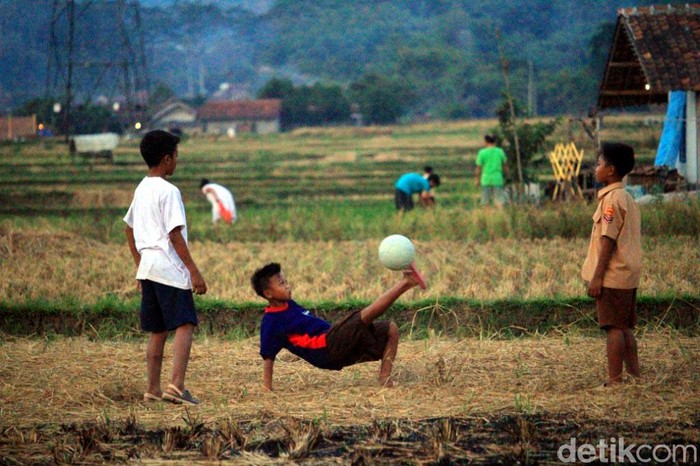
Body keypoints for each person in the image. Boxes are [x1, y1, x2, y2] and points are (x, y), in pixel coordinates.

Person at [124, 130, 208, 405]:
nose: (177, 162)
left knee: (158, 330)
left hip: (148, 268)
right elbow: (174, 235)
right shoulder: (169, 191)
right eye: (176, 157)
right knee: (185, 323)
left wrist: (140, 265)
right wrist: (194, 271)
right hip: (169, 268)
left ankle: (152, 389)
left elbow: (129, 228)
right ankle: (177, 386)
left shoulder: (141, 188)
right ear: (166, 159)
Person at [251, 262, 421, 390]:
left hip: (334, 343)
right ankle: (406, 283)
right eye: (281, 284)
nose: (288, 285)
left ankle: (385, 378)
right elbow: (268, 357)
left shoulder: (290, 305)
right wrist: (268, 390)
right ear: (268, 293)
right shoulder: (271, 321)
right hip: (327, 347)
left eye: (286, 281)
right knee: (364, 316)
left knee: (390, 329)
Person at [581, 142, 642, 386]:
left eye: (599, 164)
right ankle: (635, 376)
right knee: (625, 327)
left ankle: (614, 380)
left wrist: (597, 277)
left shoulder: (611, 202)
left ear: (611, 170)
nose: (596, 168)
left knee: (613, 328)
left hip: (613, 275)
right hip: (627, 274)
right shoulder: (626, 197)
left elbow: (608, 239)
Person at [475, 134, 510, 207]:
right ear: (495, 141)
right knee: (499, 201)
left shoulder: (482, 152)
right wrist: (508, 177)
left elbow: (478, 169)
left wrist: (477, 180)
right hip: (497, 179)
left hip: (486, 179)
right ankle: (500, 216)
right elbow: (506, 166)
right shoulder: (500, 151)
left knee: (486, 202)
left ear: (486, 142)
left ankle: (488, 217)